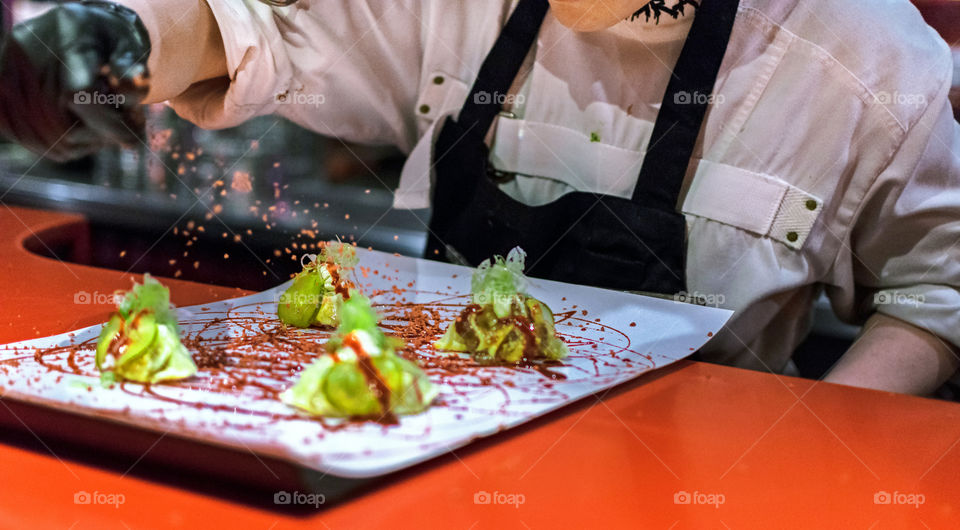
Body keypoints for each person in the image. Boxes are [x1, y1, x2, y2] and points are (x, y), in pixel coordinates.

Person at [1, 0, 959, 395]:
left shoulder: (869, 62)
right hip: (432, 431)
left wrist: (809, 446)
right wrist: (123, 39)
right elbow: (255, 32)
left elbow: (936, 289)